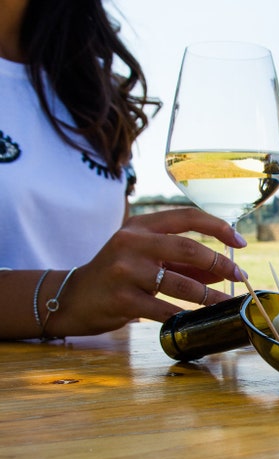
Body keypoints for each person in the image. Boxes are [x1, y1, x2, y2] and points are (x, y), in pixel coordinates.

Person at [0, 0, 247, 341]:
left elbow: (112, 282)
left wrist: (133, 280)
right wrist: (69, 295)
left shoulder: (92, 92)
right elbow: (88, 292)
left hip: (98, 387)